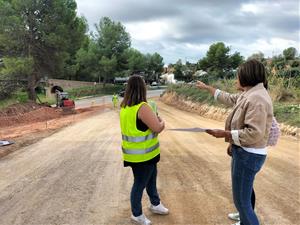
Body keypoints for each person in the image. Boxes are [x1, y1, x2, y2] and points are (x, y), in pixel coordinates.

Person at [196, 59, 273, 225]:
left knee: (241, 201)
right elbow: (229, 98)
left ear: (247, 76)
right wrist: (208, 88)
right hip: (245, 152)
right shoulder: (250, 93)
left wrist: (226, 134)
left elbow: (254, 133)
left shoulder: (257, 98)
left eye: (237, 76)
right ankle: (244, 218)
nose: (235, 80)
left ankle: (246, 219)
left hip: (248, 154)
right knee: (245, 194)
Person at [120, 75, 169, 225]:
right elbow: (157, 128)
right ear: (143, 88)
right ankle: (137, 214)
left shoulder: (125, 107)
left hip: (137, 155)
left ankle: (155, 203)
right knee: (140, 184)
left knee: (151, 179)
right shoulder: (142, 107)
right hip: (143, 156)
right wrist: (163, 122)